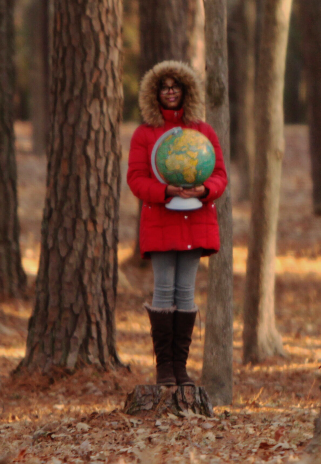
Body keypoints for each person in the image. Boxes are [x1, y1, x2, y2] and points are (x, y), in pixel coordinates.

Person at [127, 61, 228, 386]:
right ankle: (164, 369)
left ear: (186, 91)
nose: (170, 91)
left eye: (176, 86)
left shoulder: (203, 132)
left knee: (186, 292)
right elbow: (136, 179)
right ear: (154, 94)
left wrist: (205, 189)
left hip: (195, 219)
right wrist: (165, 190)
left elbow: (220, 175)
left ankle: (180, 369)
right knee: (163, 290)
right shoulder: (145, 134)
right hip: (160, 220)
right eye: (164, 86)